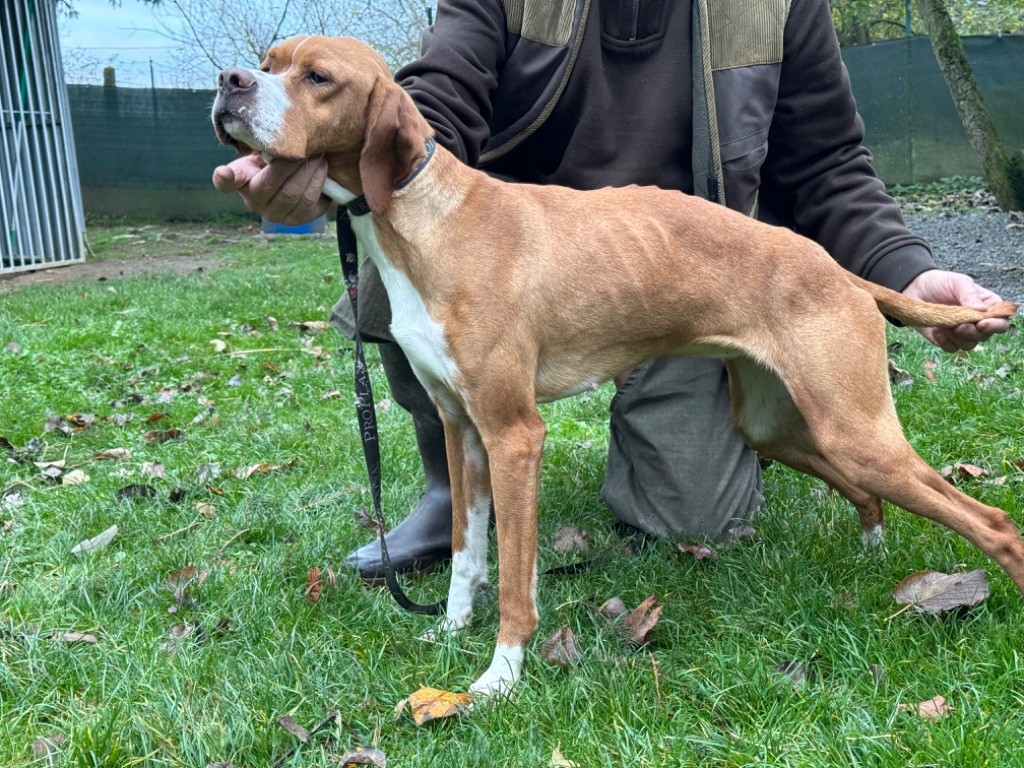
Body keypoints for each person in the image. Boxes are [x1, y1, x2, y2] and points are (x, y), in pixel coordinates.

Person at [213, 0, 1011, 582]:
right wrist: (351, 168)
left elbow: (828, 162)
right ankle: (452, 488)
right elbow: (437, 100)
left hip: (688, 279)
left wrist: (907, 273)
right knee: (411, 276)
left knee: (723, 490)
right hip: (521, 261)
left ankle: (968, 531)